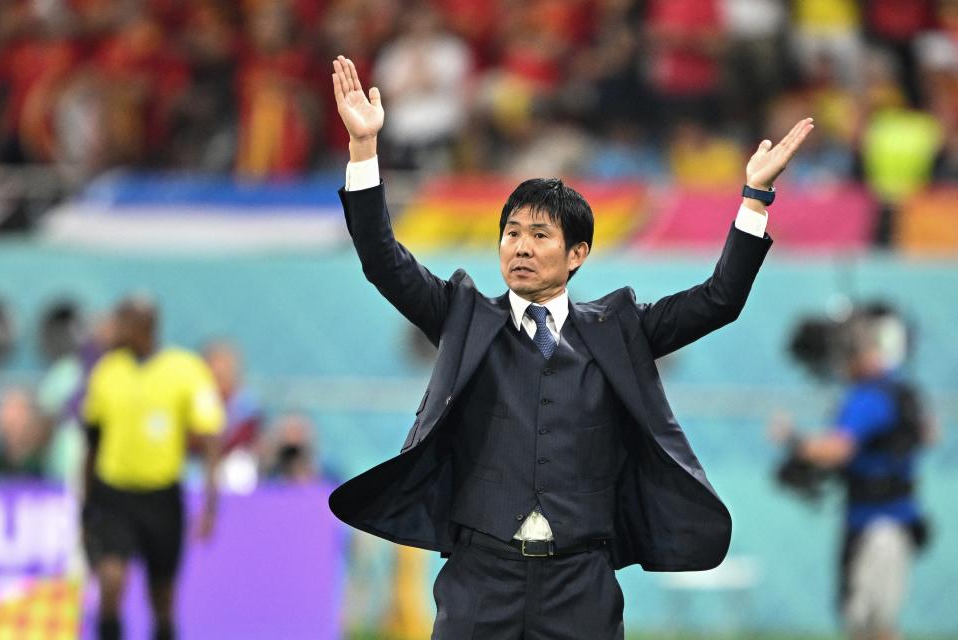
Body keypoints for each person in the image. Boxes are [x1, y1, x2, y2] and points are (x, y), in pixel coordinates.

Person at [328, 54, 813, 639]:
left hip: (581, 580)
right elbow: (382, 259)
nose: (521, 248)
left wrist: (755, 195)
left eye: (539, 235)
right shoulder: (461, 315)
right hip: (480, 577)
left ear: (577, 253)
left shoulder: (620, 330)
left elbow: (719, 300)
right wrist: (363, 149)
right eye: (511, 233)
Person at [771, 310, 933, 640]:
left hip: (878, 526)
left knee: (871, 625)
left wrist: (794, 441)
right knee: (867, 624)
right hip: (885, 519)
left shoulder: (869, 397)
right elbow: (929, 434)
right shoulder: (898, 391)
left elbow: (838, 449)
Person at [81, 296, 224, 640]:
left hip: (161, 498)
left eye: (121, 321)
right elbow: (92, 443)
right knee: (112, 581)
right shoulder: (107, 371)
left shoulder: (184, 369)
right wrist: (85, 505)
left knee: (162, 598)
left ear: (142, 325)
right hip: (114, 494)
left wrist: (210, 505)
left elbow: (210, 439)